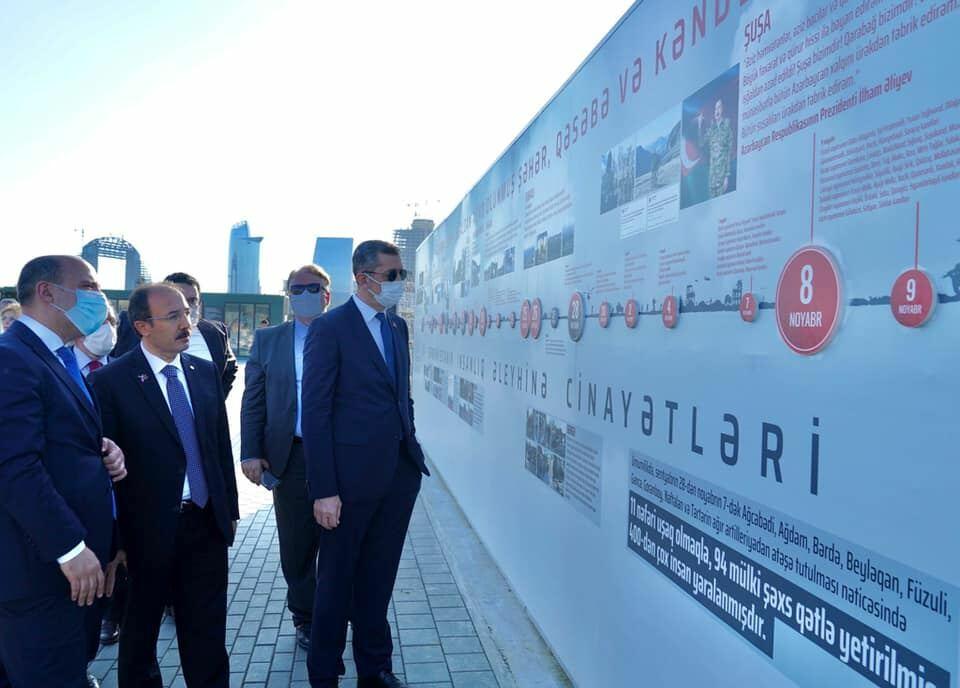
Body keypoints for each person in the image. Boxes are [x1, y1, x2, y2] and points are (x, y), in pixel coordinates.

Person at [89, 283, 239, 688]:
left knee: (207, 632)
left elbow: (218, 447)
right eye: (173, 316)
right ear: (142, 326)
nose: (186, 323)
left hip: (205, 523)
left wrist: (228, 510)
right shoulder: (112, 382)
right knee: (140, 635)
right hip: (144, 534)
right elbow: (104, 471)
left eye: (186, 313)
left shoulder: (203, 372)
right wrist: (116, 541)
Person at [302, 240, 430, 688]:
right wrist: (324, 489)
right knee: (336, 584)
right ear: (363, 278)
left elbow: (400, 395)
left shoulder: (397, 326)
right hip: (347, 483)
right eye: (392, 275)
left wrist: (409, 444)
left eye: (402, 275)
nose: (399, 283)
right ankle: (324, 673)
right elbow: (315, 412)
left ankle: (374, 670)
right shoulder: (330, 328)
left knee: (378, 579)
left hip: (397, 477)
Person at [0, 255, 126, 688]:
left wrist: (102, 449)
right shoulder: (13, 359)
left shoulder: (53, 357)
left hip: (66, 572)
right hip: (41, 574)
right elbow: (14, 467)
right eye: (89, 287)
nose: (100, 299)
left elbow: (55, 438)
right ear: (47, 292)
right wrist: (70, 549)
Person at [240, 264, 331, 650]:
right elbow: (253, 399)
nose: (305, 294)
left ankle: (334, 610)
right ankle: (305, 617)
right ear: (288, 295)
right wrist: (250, 452)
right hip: (291, 455)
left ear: (327, 294)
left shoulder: (346, 334)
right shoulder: (269, 339)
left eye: (313, 288)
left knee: (339, 541)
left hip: (340, 457)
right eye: (297, 289)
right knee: (297, 544)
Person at [74, 304, 127, 647]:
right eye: (98, 323)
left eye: (110, 321)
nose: (105, 329)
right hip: (81, 499)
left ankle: (111, 615)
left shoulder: (123, 370)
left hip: (124, 490)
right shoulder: (59, 369)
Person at [112, 272, 238, 397]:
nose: (186, 305)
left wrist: (214, 400)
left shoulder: (216, 332)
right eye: (180, 299)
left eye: (192, 300)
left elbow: (229, 370)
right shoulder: (131, 326)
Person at [697, 97, 734, 199]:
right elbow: (700, 143)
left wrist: (726, 176)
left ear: (723, 110)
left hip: (722, 177)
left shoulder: (727, 128)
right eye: (715, 108)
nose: (716, 111)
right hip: (712, 178)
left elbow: (728, 153)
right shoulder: (711, 130)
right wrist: (699, 125)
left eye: (719, 107)